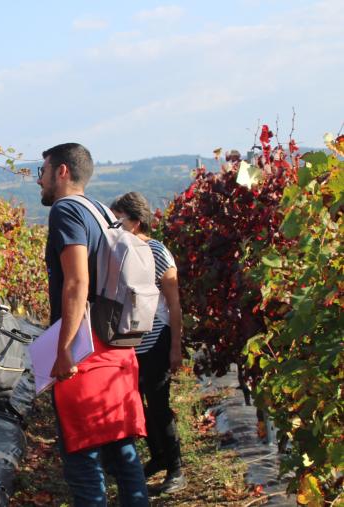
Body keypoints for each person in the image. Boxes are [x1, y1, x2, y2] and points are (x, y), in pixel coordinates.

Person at [37, 143, 149, 506]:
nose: (40, 181)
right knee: (123, 456)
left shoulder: (66, 211)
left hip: (87, 354)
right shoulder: (101, 211)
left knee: (84, 466)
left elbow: (76, 282)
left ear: (62, 172)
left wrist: (64, 349)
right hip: (117, 350)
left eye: (43, 172)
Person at [110, 192, 186, 495]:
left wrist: (175, 347)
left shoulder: (156, 251)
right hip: (131, 342)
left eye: (120, 221)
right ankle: (158, 458)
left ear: (136, 222)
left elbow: (174, 303)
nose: (115, 227)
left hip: (156, 340)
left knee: (158, 405)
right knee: (139, 407)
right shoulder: (121, 252)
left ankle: (176, 468)